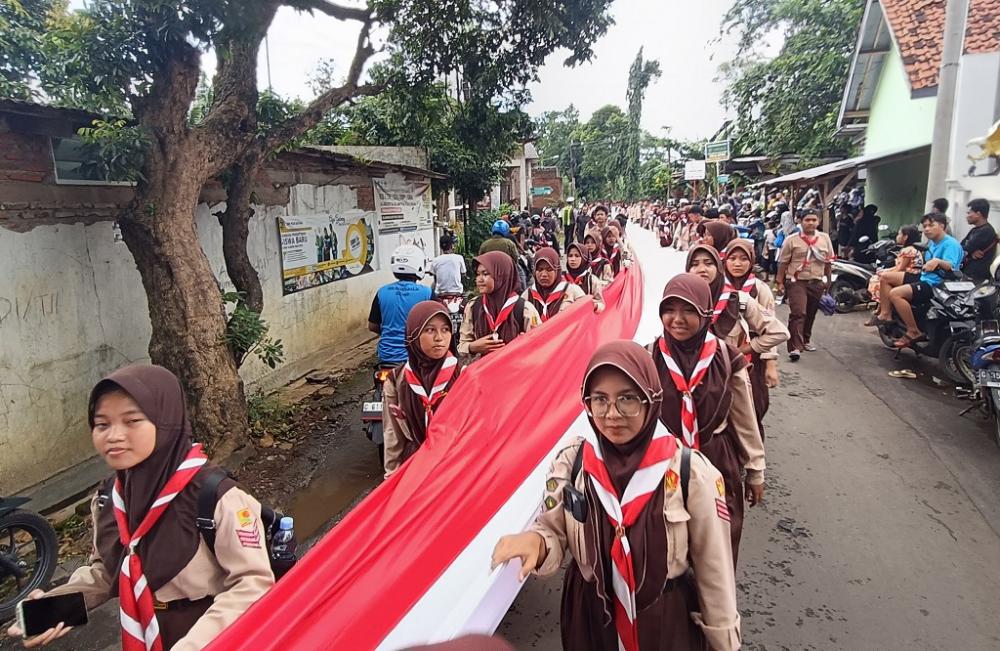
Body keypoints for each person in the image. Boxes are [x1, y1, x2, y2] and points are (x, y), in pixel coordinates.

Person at [491, 340, 741, 651]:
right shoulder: (574, 462)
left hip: (663, 623)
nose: (612, 414)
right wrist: (538, 542)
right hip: (590, 619)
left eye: (628, 399)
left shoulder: (691, 474)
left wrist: (724, 640)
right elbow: (553, 529)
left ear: (652, 398)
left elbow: (714, 571)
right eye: (599, 400)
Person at [7, 365, 274, 650]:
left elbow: (252, 584)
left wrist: (193, 646)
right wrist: (55, 606)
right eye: (102, 424)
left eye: (132, 421)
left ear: (166, 421)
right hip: (146, 629)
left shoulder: (215, 496)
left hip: (213, 634)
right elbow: (107, 572)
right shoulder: (109, 496)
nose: (113, 435)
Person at [650, 274, 765, 568]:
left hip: (716, 459)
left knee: (718, 543)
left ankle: (713, 610)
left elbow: (744, 419)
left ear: (705, 311)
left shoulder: (726, 358)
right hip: (666, 462)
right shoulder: (650, 356)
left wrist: (755, 470)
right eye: (669, 309)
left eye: (688, 310)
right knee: (668, 542)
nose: (677, 319)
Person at [383, 301, 463, 477]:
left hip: (454, 466)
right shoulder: (396, 381)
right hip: (415, 468)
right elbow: (393, 435)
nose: (439, 338)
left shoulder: (463, 375)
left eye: (445, 329)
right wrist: (391, 477)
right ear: (413, 333)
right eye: (429, 330)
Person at [867, 213, 965, 347]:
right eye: (925, 226)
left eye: (931, 225)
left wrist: (937, 261)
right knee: (884, 277)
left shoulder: (950, 244)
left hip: (936, 284)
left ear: (942, 226)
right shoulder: (932, 242)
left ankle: (913, 331)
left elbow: (951, 266)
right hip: (924, 276)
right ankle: (885, 314)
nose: (927, 229)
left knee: (895, 294)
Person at [722, 239, 788, 441]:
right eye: (732, 258)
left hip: (752, 357)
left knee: (755, 404)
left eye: (743, 259)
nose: (737, 264)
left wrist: (770, 364)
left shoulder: (760, 290)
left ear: (751, 261)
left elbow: (771, 329)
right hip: (723, 355)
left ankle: (752, 454)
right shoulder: (716, 287)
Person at [458, 251, 540, 358]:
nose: (479, 279)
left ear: (501, 275)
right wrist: (473, 347)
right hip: (483, 372)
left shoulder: (524, 309)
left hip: (516, 372)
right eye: (478, 274)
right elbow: (461, 347)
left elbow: (540, 347)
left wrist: (524, 345)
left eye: (486, 274)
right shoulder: (474, 306)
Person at [776, 211, 834, 361]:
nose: (811, 223)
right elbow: (783, 262)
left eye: (814, 220)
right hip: (796, 281)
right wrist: (780, 282)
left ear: (818, 221)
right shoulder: (791, 240)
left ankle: (806, 340)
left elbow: (828, 261)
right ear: (800, 221)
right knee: (798, 312)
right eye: (807, 220)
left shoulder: (824, 239)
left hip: (816, 281)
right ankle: (795, 347)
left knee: (810, 312)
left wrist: (828, 280)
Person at [369, 245, 433, 365]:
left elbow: (372, 326)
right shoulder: (427, 293)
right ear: (419, 265)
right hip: (416, 355)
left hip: (386, 355)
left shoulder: (382, 292)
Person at [523, 247, 589, 322]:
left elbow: (586, 316)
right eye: (540, 269)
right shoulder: (527, 295)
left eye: (549, 269)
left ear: (557, 270)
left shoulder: (573, 291)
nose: (544, 274)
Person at [866, 225, 921, 304]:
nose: (897, 236)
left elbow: (901, 268)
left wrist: (885, 272)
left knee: (877, 280)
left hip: (910, 275)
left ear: (905, 237)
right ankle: (882, 307)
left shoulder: (908, 251)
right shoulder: (911, 249)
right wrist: (885, 270)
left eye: (899, 234)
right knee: (879, 275)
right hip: (908, 275)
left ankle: (885, 307)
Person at [960, 198, 996, 282]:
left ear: (978, 214)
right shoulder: (975, 230)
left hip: (976, 277)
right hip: (969, 273)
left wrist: (968, 251)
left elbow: (965, 248)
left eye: (969, 213)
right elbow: (961, 246)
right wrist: (970, 252)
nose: (967, 216)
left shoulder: (986, 231)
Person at [564, 242, 606, 312]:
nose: (573, 259)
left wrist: (594, 305)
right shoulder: (562, 279)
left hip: (585, 319)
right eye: (570, 256)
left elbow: (601, 304)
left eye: (577, 256)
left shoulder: (592, 280)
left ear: (584, 258)